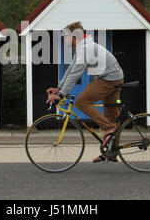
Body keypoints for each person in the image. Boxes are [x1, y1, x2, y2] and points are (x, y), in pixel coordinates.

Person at [47, 22, 124, 163]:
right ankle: (111, 153)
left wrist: (61, 95)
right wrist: (59, 88)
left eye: (66, 37)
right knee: (111, 116)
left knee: (82, 102)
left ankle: (110, 129)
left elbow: (75, 74)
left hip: (109, 80)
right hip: (115, 77)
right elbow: (71, 69)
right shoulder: (83, 47)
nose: (65, 39)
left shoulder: (85, 49)